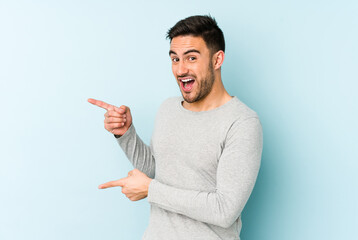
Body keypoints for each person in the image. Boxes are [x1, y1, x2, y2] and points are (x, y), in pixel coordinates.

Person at [88, 15, 263, 240]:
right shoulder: (168, 108)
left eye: (191, 58)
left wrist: (151, 190)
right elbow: (157, 172)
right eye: (175, 59)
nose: (180, 70)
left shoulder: (242, 123)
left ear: (217, 60)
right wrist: (125, 133)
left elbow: (224, 210)